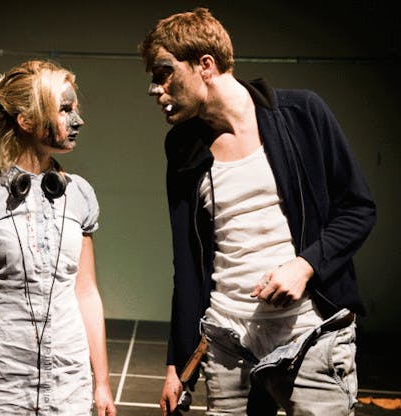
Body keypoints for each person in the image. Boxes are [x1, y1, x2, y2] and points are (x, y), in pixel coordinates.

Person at [139, 8, 376, 416]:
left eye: (163, 73)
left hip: (310, 335)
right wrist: (177, 364)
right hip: (228, 342)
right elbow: (188, 264)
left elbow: (358, 208)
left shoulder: (301, 114)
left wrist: (304, 266)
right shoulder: (183, 148)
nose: (154, 88)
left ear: (205, 66)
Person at [0, 60, 116, 416]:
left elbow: (86, 292)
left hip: (69, 385)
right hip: (0, 386)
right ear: (27, 121)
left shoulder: (79, 195)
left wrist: (102, 386)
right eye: (65, 110)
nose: (77, 120)